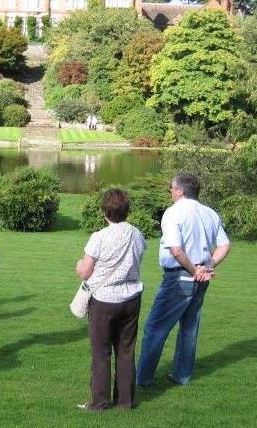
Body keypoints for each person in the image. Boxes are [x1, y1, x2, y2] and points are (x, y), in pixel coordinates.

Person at [136, 172, 231, 387]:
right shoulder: (210, 214)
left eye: (171, 187)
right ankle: (182, 375)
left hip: (180, 276)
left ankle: (142, 378)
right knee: (189, 327)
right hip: (201, 278)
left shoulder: (173, 213)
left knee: (155, 327)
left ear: (180, 191)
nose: (170, 191)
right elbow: (225, 245)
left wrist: (194, 270)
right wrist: (207, 267)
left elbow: (176, 250)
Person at [75, 188, 147, 410]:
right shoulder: (137, 234)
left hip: (104, 300)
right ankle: (125, 401)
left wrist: (79, 264)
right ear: (127, 210)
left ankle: (99, 402)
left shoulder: (99, 237)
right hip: (131, 298)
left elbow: (85, 272)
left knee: (101, 352)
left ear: (105, 212)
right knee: (126, 350)